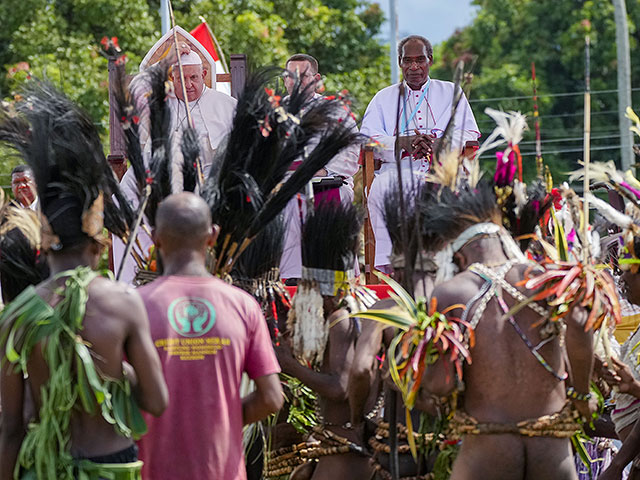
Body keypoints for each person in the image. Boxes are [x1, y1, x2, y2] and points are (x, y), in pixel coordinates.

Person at [0, 81, 168, 479]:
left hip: (47, 465)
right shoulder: (123, 302)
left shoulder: (17, 316)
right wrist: (117, 371)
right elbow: (157, 400)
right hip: (115, 465)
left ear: (43, 241)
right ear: (99, 240)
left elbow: (10, 428)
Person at [136, 192, 283, 480]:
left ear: (155, 238)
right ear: (213, 236)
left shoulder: (135, 306)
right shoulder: (243, 306)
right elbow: (272, 398)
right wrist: (222, 419)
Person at [361, 35, 480, 273]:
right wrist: (399, 142)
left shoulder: (451, 92)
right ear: (400, 63)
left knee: (456, 192)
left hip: (441, 172)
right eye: (408, 61)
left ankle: (448, 264)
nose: (414, 66)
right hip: (397, 171)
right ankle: (391, 267)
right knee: (382, 189)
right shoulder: (384, 98)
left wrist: (440, 144)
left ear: (430, 61)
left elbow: (471, 133)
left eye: (420, 60)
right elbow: (366, 138)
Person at [279, 53, 360, 281]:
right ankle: (291, 278)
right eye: (289, 76)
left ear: (316, 79)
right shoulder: (274, 112)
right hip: (286, 184)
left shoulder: (335, 109)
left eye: (302, 76)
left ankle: (334, 276)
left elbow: (351, 148)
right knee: (283, 206)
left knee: (334, 201)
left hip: (327, 181)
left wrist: (324, 170)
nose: (295, 82)